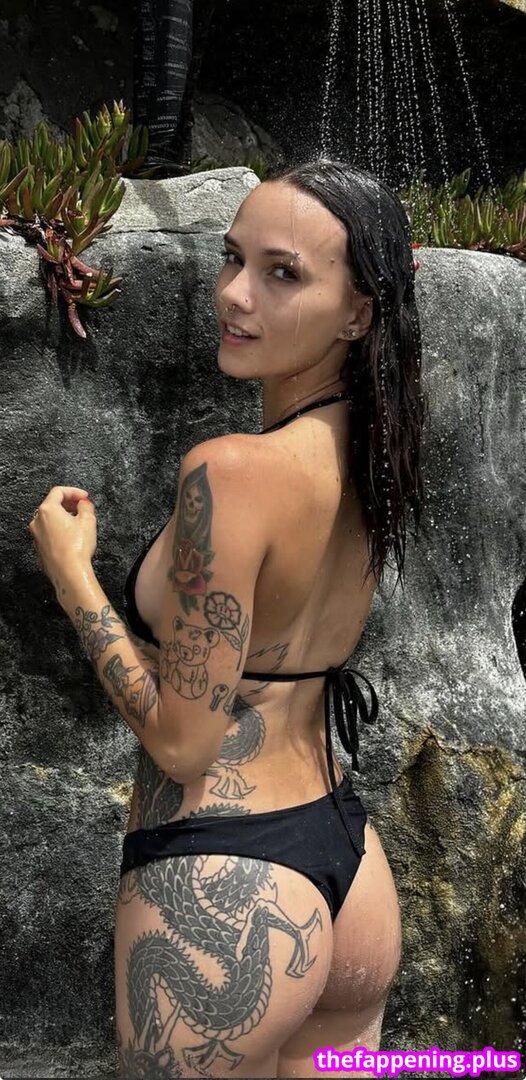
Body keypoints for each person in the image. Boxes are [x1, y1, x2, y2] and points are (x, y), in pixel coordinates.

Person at [28, 159, 427, 1078]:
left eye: (282, 273)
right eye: (232, 257)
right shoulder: (378, 448)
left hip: (226, 863)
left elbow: (184, 742)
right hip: (346, 859)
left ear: (359, 313)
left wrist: (72, 577)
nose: (235, 295)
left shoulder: (235, 471)